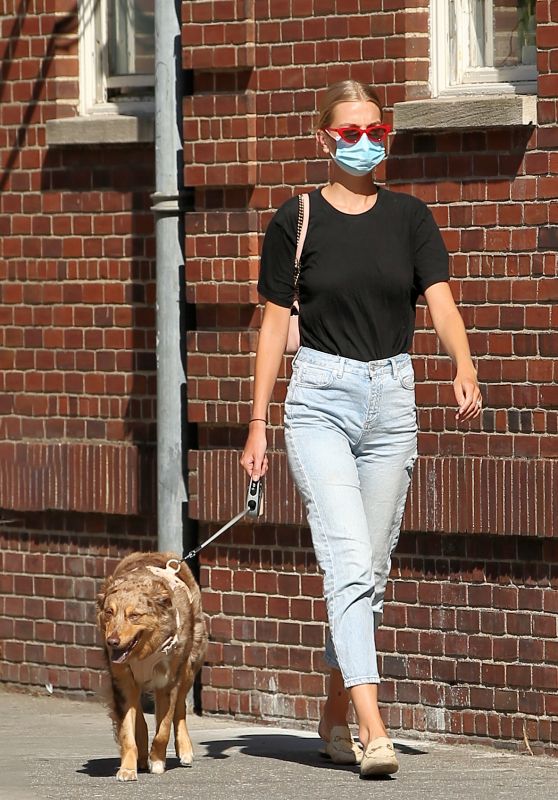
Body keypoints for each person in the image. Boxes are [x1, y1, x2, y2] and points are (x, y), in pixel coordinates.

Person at [240, 80, 481, 778]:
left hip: (392, 399)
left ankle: (333, 711)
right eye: (349, 133)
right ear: (324, 140)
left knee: (370, 574)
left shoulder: (410, 217)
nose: (364, 142)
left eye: (374, 129)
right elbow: (274, 326)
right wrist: (257, 423)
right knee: (346, 563)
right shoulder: (298, 218)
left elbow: (441, 302)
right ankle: (375, 730)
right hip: (318, 397)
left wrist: (462, 365)